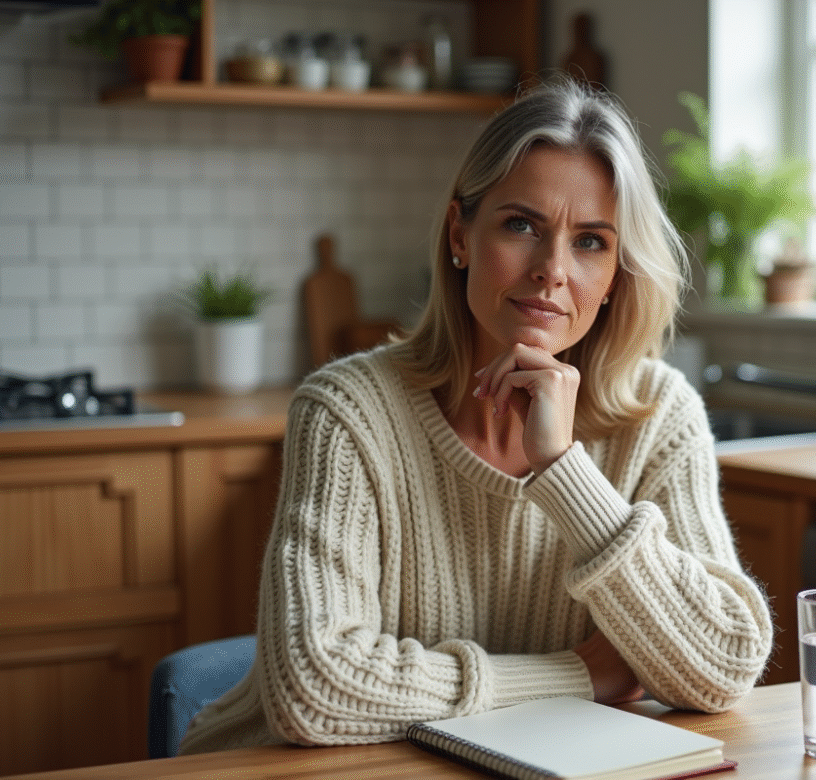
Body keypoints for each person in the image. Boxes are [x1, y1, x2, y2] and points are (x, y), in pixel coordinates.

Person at [179, 77, 773, 754]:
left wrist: (563, 469)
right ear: (461, 234)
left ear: (616, 276)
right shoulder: (347, 410)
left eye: (590, 242)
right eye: (522, 225)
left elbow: (723, 666)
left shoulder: (659, 414)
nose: (552, 269)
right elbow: (314, 688)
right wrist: (579, 676)